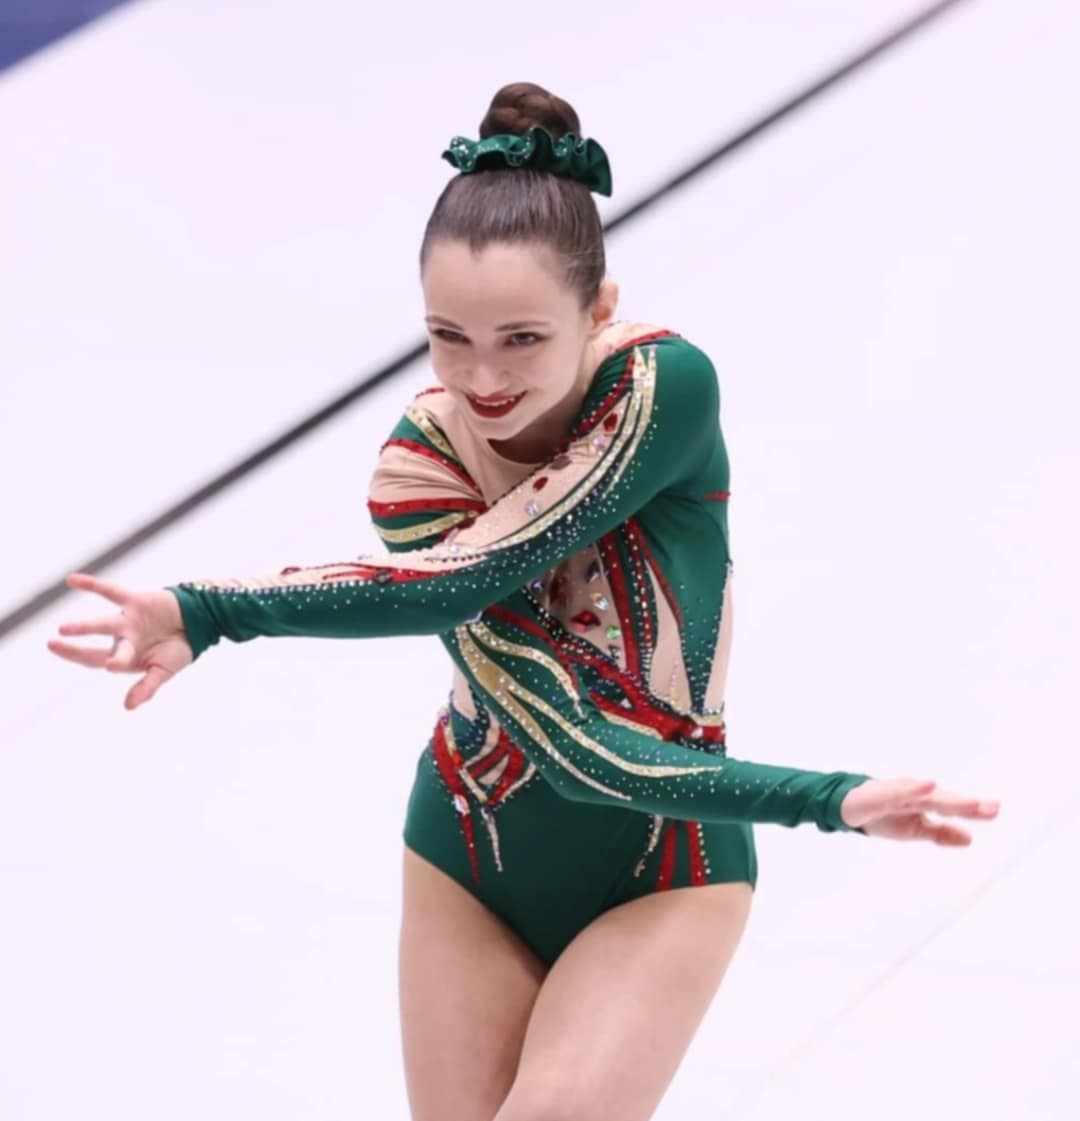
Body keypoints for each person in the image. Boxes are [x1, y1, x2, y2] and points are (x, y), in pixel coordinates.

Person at [48, 82, 1000, 1121]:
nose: (482, 377)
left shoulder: (660, 391)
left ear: (599, 309)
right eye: (447, 335)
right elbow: (546, 712)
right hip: (467, 849)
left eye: (522, 338)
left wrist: (830, 799)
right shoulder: (419, 466)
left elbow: (566, 701)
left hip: (664, 858)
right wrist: (206, 611)